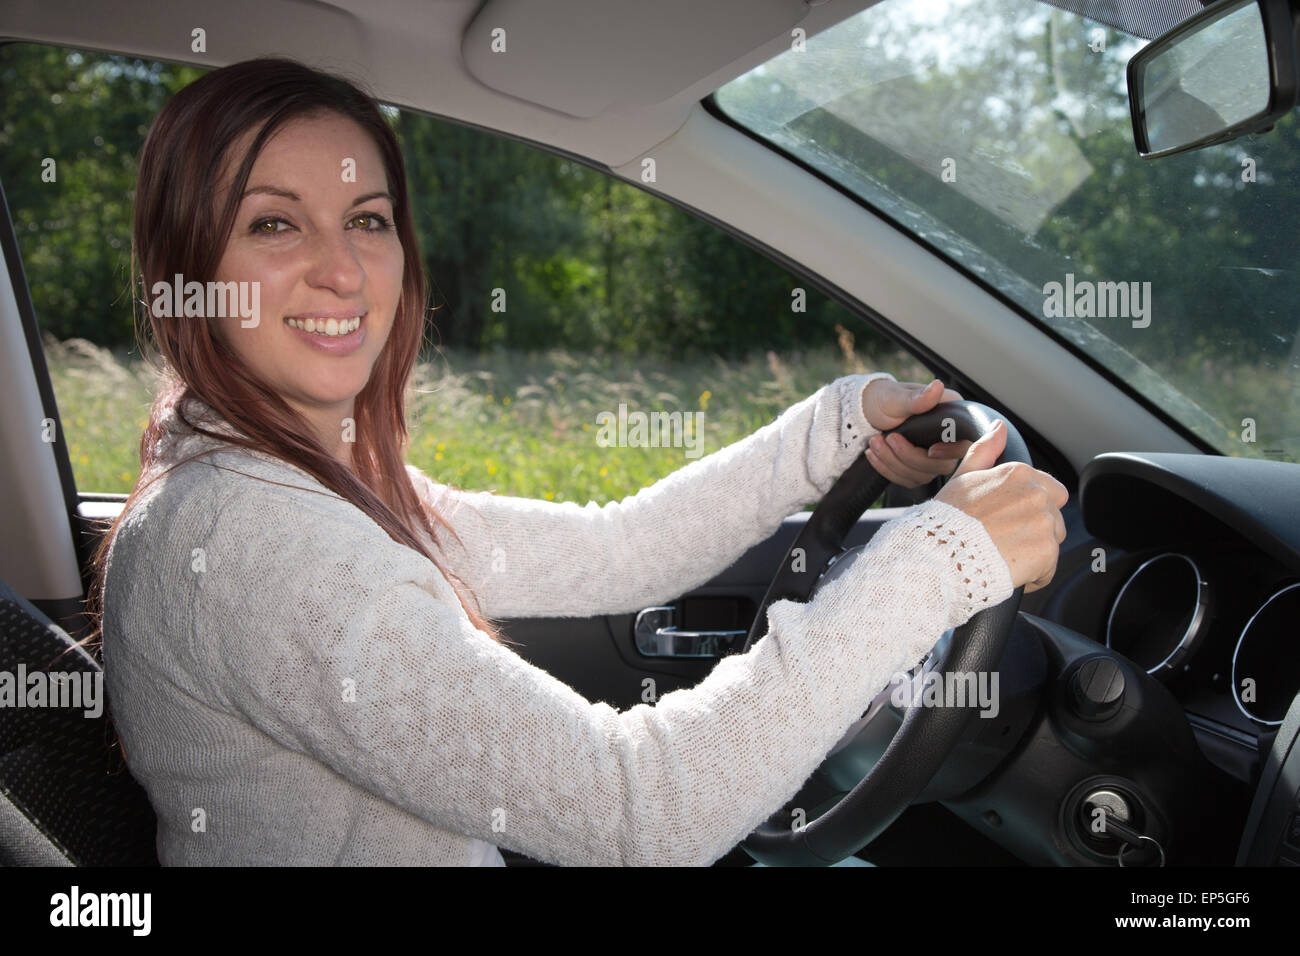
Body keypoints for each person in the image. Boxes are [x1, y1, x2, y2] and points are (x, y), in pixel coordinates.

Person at [92, 57, 1067, 866]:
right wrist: (939, 561)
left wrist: (834, 431)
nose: (341, 269)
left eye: (367, 219)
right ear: (184, 265)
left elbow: (618, 549)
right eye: (273, 222)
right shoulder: (263, 544)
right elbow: (639, 807)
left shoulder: (273, 477)